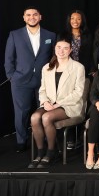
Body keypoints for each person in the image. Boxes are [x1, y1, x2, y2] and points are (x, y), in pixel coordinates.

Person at [5, 6, 56, 152]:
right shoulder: (15, 35)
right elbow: (9, 58)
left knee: (45, 112)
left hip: (44, 81)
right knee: (21, 113)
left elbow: (54, 57)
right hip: (20, 81)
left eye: (35, 14)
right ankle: (22, 142)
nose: (32, 17)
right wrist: (11, 76)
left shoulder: (50, 35)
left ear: (40, 17)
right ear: (24, 17)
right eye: (28, 15)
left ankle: (46, 140)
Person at [29, 39, 85, 168]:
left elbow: (78, 92)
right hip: (49, 104)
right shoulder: (47, 67)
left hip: (69, 105)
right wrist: (45, 101)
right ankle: (40, 152)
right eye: (59, 47)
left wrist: (58, 103)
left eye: (65, 48)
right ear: (55, 49)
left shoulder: (78, 67)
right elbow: (42, 89)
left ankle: (51, 152)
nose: (62, 50)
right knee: (34, 117)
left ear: (70, 50)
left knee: (46, 117)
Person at [63, 9, 92, 74]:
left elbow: (91, 54)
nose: (75, 21)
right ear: (69, 20)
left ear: (82, 21)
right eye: (72, 18)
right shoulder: (62, 35)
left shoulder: (88, 36)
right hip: (67, 70)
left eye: (78, 19)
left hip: (83, 70)